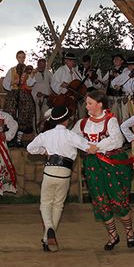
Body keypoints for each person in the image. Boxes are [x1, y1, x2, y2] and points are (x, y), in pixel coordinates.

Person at [73, 91, 134, 251]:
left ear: (100, 104)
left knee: (118, 197)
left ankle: (129, 231)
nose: (86, 106)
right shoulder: (82, 123)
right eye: (86, 103)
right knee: (100, 199)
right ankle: (113, 235)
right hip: (93, 165)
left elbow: (117, 139)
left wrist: (97, 146)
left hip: (112, 164)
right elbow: (71, 138)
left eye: (89, 103)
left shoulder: (111, 120)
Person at [26, 105, 95, 252]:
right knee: (58, 205)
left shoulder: (46, 135)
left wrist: (44, 151)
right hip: (64, 173)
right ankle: (47, 237)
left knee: (45, 203)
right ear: (66, 120)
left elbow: (30, 148)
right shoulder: (71, 135)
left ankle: (49, 229)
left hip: (49, 171)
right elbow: (88, 147)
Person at [3, 50, 36, 146]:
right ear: (17, 58)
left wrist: (32, 75)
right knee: (11, 115)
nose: (22, 59)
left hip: (24, 95)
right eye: (20, 57)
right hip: (13, 94)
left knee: (23, 117)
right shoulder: (12, 70)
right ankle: (11, 138)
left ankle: (19, 139)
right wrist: (13, 83)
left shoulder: (28, 70)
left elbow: (30, 83)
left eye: (23, 57)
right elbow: (6, 83)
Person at [111, 54, 134, 122]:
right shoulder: (124, 74)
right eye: (130, 65)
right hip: (125, 96)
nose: (132, 66)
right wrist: (115, 86)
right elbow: (114, 82)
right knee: (125, 116)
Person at [102, 54, 126, 122]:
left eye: (117, 59)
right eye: (114, 59)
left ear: (122, 61)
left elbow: (124, 81)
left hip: (119, 96)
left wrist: (116, 76)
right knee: (110, 114)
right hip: (110, 95)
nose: (115, 60)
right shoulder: (111, 70)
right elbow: (104, 80)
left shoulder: (124, 70)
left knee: (120, 115)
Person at [31, 58, 53, 133]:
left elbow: (53, 83)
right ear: (38, 65)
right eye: (40, 65)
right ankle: (36, 134)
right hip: (36, 98)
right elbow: (29, 84)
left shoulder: (48, 73)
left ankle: (45, 133)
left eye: (44, 65)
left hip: (46, 98)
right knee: (36, 117)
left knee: (46, 116)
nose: (42, 67)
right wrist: (36, 93)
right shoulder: (33, 73)